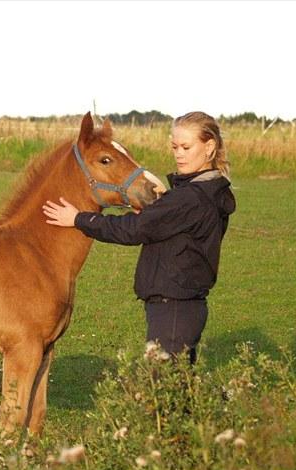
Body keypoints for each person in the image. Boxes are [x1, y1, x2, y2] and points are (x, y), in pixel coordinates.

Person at [42, 111, 236, 364]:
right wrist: (157, 212)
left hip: (173, 307)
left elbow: (131, 230)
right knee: (176, 387)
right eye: (175, 146)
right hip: (181, 304)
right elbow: (169, 222)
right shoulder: (205, 192)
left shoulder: (190, 198)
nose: (178, 153)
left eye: (186, 147)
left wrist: (79, 219)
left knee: (162, 385)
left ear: (209, 147)